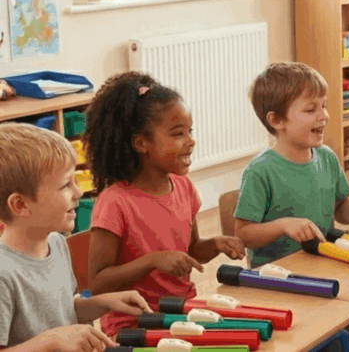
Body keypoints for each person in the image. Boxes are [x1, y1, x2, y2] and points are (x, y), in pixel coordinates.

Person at [83, 72, 246, 336]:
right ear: (141, 143)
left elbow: (190, 250)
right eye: (178, 134)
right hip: (132, 325)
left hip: (180, 311)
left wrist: (215, 244)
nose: (191, 141)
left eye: (189, 131)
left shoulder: (183, 188)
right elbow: (99, 283)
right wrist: (151, 261)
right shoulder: (114, 203)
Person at [0, 123, 151, 351]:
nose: (79, 192)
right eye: (65, 186)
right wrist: (51, 341)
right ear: (20, 205)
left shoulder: (56, 243)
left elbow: (62, 310)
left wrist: (102, 303)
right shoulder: (4, 274)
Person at [233, 62, 349, 268]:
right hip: (277, 278)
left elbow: (339, 209)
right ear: (276, 120)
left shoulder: (326, 157)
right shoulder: (259, 171)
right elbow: (243, 235)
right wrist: (283, 226)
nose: (324, 116)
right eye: (311, 109)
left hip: (323, 265)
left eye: (324, 106)